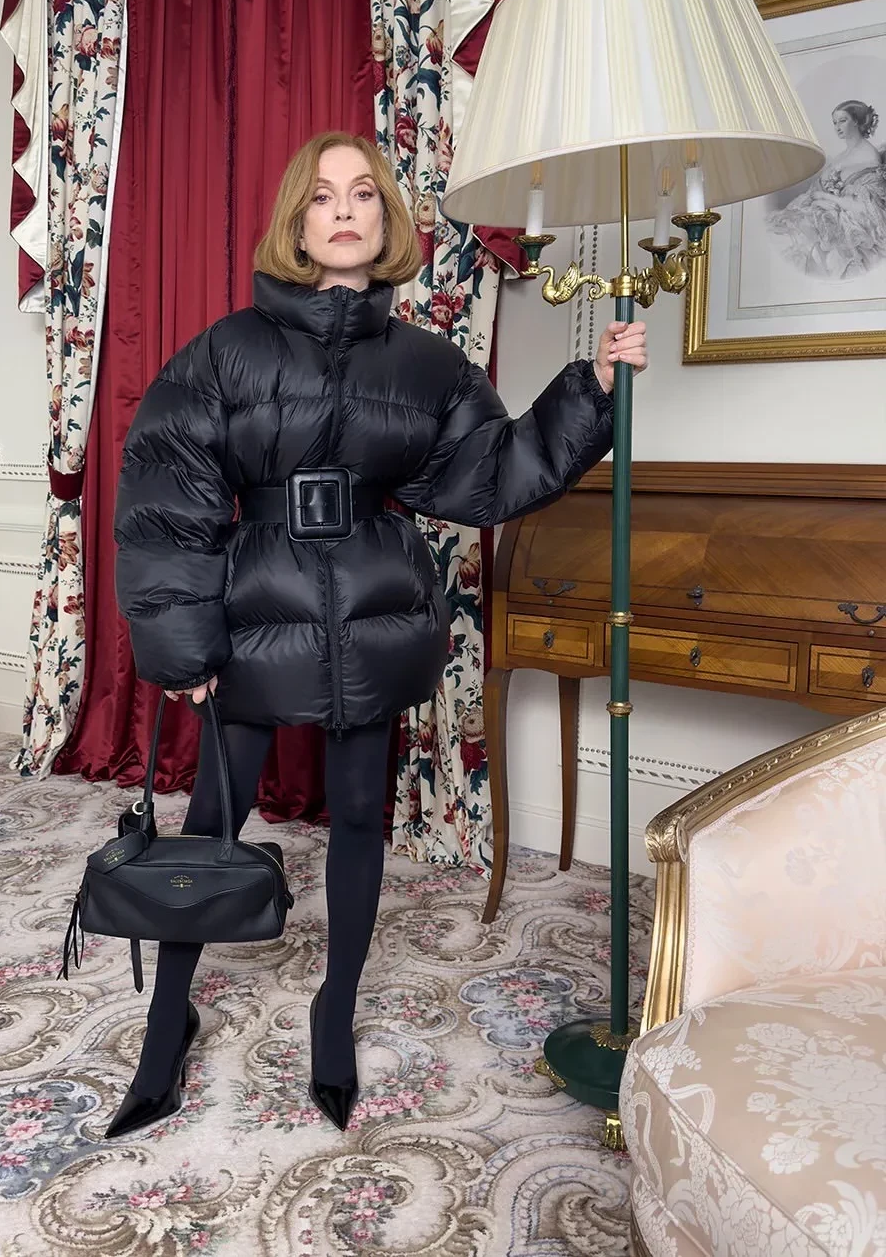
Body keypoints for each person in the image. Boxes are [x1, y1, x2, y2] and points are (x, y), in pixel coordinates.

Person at [107, 131, 647, 1139]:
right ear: (296, 220)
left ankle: (335, 1014)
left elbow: (490, 474)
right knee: (212, 824)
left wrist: (594, 393)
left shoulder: (427, 362)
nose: (344, 210)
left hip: (373, 610)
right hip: (252, 606)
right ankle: (164, 1024)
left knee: (361, 816)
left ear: (387, 217)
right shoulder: (226, 351)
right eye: (322, 196)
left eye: (362, 193)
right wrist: (180, 642)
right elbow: (167, 489)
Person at [765, 99, 886, 279]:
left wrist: (826, 198)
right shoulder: (843, 154)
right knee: (781, 229)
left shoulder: (868, 156)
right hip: (820, 205)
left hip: (845, 217)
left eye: (842, 121)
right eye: (835, 122)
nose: (837, 127)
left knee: (801, 238)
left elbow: (866, 207)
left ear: (856, 121)